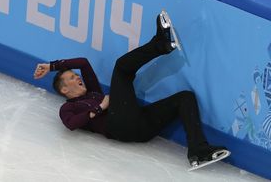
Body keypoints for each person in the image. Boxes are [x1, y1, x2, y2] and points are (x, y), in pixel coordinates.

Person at [33, 12, 227, 166]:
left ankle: (198, 149)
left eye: (76, 75)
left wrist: (52, 66)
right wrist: (99, 108)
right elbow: (71, 123)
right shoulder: (68, 108)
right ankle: (160, 45)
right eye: (72, 78)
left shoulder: (93, 91)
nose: (78, 77)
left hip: (140, 128)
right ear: (65, 90)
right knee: (122, 69)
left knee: (185, 98)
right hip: (117, 127)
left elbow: (83, 62)